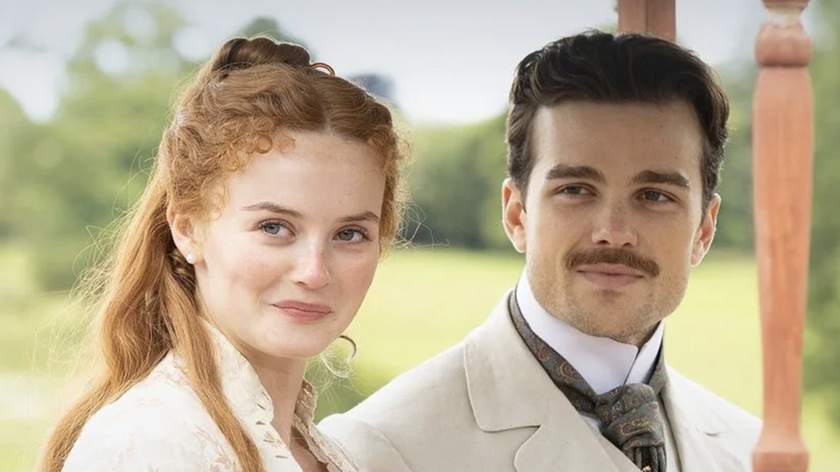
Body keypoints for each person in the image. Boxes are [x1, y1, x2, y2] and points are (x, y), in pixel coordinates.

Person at [319, 30, 761, 472]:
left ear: (704, 229)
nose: (614, 232)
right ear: (516, 215)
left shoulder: (752, 449)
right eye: (576, 189)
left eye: (655, 196)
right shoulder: (374, 451)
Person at [37, 35, 406, 472]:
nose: (314, 272)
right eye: (274, 227)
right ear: (187, 228)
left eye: (349, 234)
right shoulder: (152, 445)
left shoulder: (322, 452)